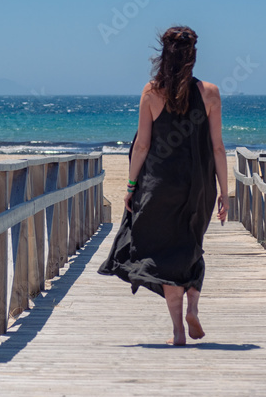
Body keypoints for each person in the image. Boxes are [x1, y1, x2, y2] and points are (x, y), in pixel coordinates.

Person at [98, 26, 229, 346]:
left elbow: (142, 145)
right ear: (193, 56)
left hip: (159, 186)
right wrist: (225, 191)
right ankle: (193, 307)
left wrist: (130, 185)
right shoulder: (210, 93)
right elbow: (218, 148)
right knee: (191, 245)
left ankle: (178, 331)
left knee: (167, 256)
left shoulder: (151, 92)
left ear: (164, 55)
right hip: (198, 186)